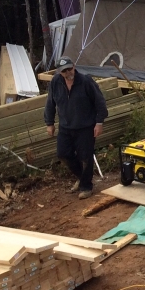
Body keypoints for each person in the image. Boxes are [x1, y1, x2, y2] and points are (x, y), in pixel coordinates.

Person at [44, 57, 108, 199]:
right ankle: (82, 177)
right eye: (64, 71)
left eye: (69, 69)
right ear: (59, 72)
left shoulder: (86, 82)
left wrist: (99, 123)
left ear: (74, 66)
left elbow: (100, 102)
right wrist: (49, 123)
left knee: (85, 157)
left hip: (85, 127)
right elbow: (50, 103)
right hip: (65, 127)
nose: (68, 73)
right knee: (63, 153)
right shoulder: (55, 82)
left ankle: (86, 186)